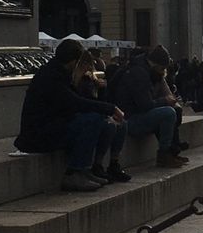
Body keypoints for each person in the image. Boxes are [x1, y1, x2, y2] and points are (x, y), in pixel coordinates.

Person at [15, 36, 125, 192]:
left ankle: (86, 169)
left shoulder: (58, 72)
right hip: (38, 135)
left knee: (102, 123)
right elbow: (75, 102)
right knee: (92, 120)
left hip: (52, 126)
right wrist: (110, 108)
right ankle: (74, 172)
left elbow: (76, 103)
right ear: (73, 61)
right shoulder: (51, 76)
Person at [113, 45, 186, 166]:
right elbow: (145, 105)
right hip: (130, 119)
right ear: (157, 65)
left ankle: (171, 151)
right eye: (162, 68)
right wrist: (165, 101)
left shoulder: (141, 69)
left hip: (130, 114)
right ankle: (164, 154)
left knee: (169, 112)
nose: (163, 72)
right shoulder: (140, 74)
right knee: (168, 113)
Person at [74, 52, 130, 182]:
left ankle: (114, 162)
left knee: (122, 124)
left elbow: (102, 101)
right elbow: (85, 103)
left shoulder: (91, 80)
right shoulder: (77, 81)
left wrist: (102, 89)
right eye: (86, 64)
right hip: (86, 115)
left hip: (97, 112)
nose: (89, 67)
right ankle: (97, 164)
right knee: (108, 126)